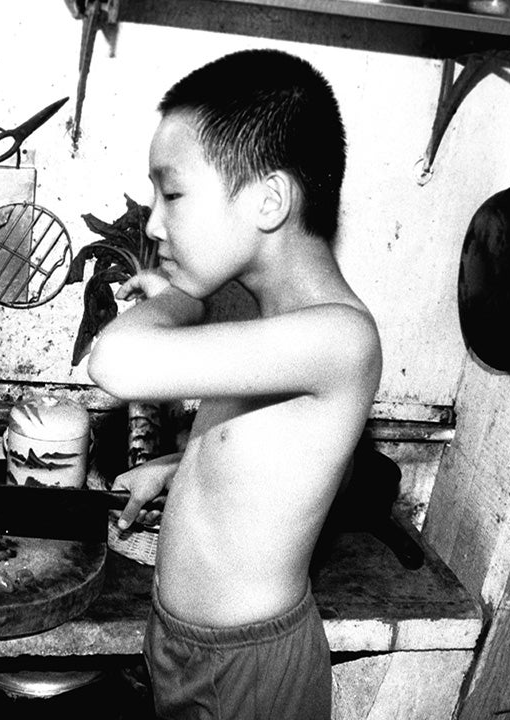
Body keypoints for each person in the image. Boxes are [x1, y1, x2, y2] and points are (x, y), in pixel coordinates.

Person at [87, 48, 382, 719]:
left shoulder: (339, 339)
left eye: (174, 193)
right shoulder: (260, 312)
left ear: (268, 200)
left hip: (250, 667)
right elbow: (252, 444)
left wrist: (183, 293)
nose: (156, 223)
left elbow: (118, 362)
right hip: (182, 640)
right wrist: (171, 467)